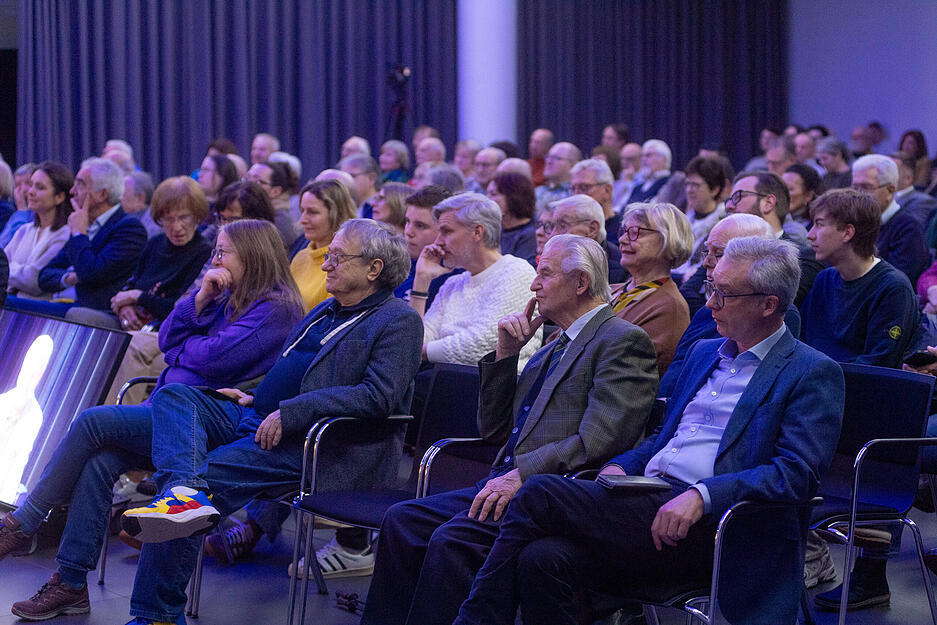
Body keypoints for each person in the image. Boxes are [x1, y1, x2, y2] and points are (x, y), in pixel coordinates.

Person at [450, 236, 844, 625]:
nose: (708, 304)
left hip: (720, 524)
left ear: (768, 304)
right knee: (543, 558)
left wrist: (702, 495)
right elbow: (664, 438)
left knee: (538, 491)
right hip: (645, 497)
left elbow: (797, 473)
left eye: (723, 294)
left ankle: (475, 619)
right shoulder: (705, 352)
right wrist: (622, 466)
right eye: (710, 288)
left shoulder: (810, 371)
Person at [108, 219, 421, 624]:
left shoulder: (398, 320)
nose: (325, 265)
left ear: (374, 269)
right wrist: (254, 390)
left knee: (206, 481)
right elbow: (290, 368)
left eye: (337, 257)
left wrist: (292, 411)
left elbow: (378, 397)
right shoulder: (328, 309)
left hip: (320, 444)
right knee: (175, 395)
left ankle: (156, 614)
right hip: (258, 415)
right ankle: (183, 493)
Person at [0, 219, 305, 621]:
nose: (214, 260)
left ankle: (24, 523)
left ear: (251, 255)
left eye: (222, 251)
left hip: (206, 423)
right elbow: (166, 340)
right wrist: (197, 300)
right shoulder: (224, 296)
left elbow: (210, 359)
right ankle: (70, 584)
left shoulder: (275, 309)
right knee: (100, 460)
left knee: (92, 423)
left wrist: (184, 349)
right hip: (172, 408)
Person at [360, 233, 659, 625]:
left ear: (581, 282)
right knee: (402, 520)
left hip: (554, 491)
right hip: (505, 481)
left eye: (545, 274)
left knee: (452, 542)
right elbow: (495, 428)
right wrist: (506, 355)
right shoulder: (555, 341)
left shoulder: (622, 340)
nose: (534, 285)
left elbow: (602, 439)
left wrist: (525, 473)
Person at [802, 189, 920, 611]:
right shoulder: (826, 280)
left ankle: (871, 575)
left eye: (819, 224)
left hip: (873, 409)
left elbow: (879, 368)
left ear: (848, 232)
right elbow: (808, 346)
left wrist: (813, 387)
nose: (809, 233)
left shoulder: (892, 287)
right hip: (827, 396)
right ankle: (791, 551)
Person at [659, 214, 787, 399]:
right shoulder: (706, 313)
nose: (706, 262)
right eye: (707, 251)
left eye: (719, 254)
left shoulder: (774, 317)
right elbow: (675, 377)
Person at [64, 176, 213, 330]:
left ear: (197, 216)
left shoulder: (203, 252)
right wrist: (124, 307)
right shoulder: (155, 243)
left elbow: (179, 309)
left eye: (183, 218)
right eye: (168, 219)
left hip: (163, 329)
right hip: (130, 321)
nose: (176, 227)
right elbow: (127, 287)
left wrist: (138, 297)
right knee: (76, 315)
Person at [416, 193, 539, 370]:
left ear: (477, 232)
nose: (438, 242)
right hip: (444, 380)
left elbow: (483, 346)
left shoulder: (516, 271)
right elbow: (417, 339)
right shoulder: (452, 283)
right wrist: (421, 280)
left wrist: (421, 351)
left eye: (446, 231)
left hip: (491, 387)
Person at [13, 158, 148, 318]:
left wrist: (78, 233)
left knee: (8, 304)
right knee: (8, 303)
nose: (73, 191)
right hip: (67, 304)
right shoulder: (85, 223)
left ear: (102, 194)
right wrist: (69, 278)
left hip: (96, 311)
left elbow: (90, 273)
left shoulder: (129, 228)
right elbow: (45, 276)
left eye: (81, 184)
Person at [611, 202, 693, 377]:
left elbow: (622, 372)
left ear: (668, 238)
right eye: (624, 231)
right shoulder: (613, 291)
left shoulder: (670, 307)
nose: (622, 240)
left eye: (635, 233)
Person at [853, 154, 929, 286]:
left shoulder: (908, 228)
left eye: (866, 187)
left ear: (890, 190)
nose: (857, 194)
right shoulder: (851, 221)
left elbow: (896, 283)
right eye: (855, 187)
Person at [4, 161, 74, 300]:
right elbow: (2, 266)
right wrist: (20, 271)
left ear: (59, 197)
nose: (30, 192)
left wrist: (11, 269)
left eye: (40, 187)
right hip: (10, 305)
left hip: (40, 311)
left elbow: (35, 281)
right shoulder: (24, 230)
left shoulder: (65, 234)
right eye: (31, 185)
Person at [289, 179, 358, 312]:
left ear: (336, 214)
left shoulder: (346, 263)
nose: (303, 220)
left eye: (312, 212)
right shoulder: (301, 257)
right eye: (302, 211)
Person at [673, 156, 727, 282]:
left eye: (695, 185)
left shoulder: (722, 224)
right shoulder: (682, 219)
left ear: (714, 189)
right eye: (687, 184)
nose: (689, 190)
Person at [550, 194, 626, 284]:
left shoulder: (616, 270)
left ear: (592, 229)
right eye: (552, 226)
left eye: (563, 226)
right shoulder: (559, 259)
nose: (552, 235)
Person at [245, 160, 301, 248]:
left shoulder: (280, 223)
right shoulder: (251, 212)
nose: (247, 185)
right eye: (247, 178)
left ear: (275, 191)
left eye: (257, 181)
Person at [487, 171, 537, 265]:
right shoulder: (495, 228)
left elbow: (520, 271)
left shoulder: (530, 234)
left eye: (493, 194)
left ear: (513, 196)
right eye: (487, 194)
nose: (487, 199)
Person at [571, 158, 621, 245]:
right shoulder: (569, 230)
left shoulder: (624, 231)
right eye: (573, 189)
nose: (576, 194)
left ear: (607, 190)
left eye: (584, 187)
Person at [0, 163, 38, 248]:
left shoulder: (6, 209)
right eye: (18, 185)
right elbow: (2, 242)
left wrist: (21, 209)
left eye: (28, 183)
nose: (23, 189)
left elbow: (19, 241)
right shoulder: (15, 215)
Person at [626, 139, 672, 204]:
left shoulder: (669, 183)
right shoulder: (637, 187)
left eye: (648, 155)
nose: (643, 159)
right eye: (643, 156)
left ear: (663, 159)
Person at [536, 142, 580, 210]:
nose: (548, 161)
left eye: (556, 158)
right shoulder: (537, 192)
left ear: (572, 165)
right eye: (547, 157)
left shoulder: (576, 194)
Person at [783, 163, 824, 230]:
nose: (782, 193)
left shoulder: (815, 229)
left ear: (808, 195)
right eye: (781, 187)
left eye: (790, 189)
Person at [121, 170, 161, 239]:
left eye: (122, 194)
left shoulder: (156, 227)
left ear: (140, 197)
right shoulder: (125, 219)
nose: (118, 199)